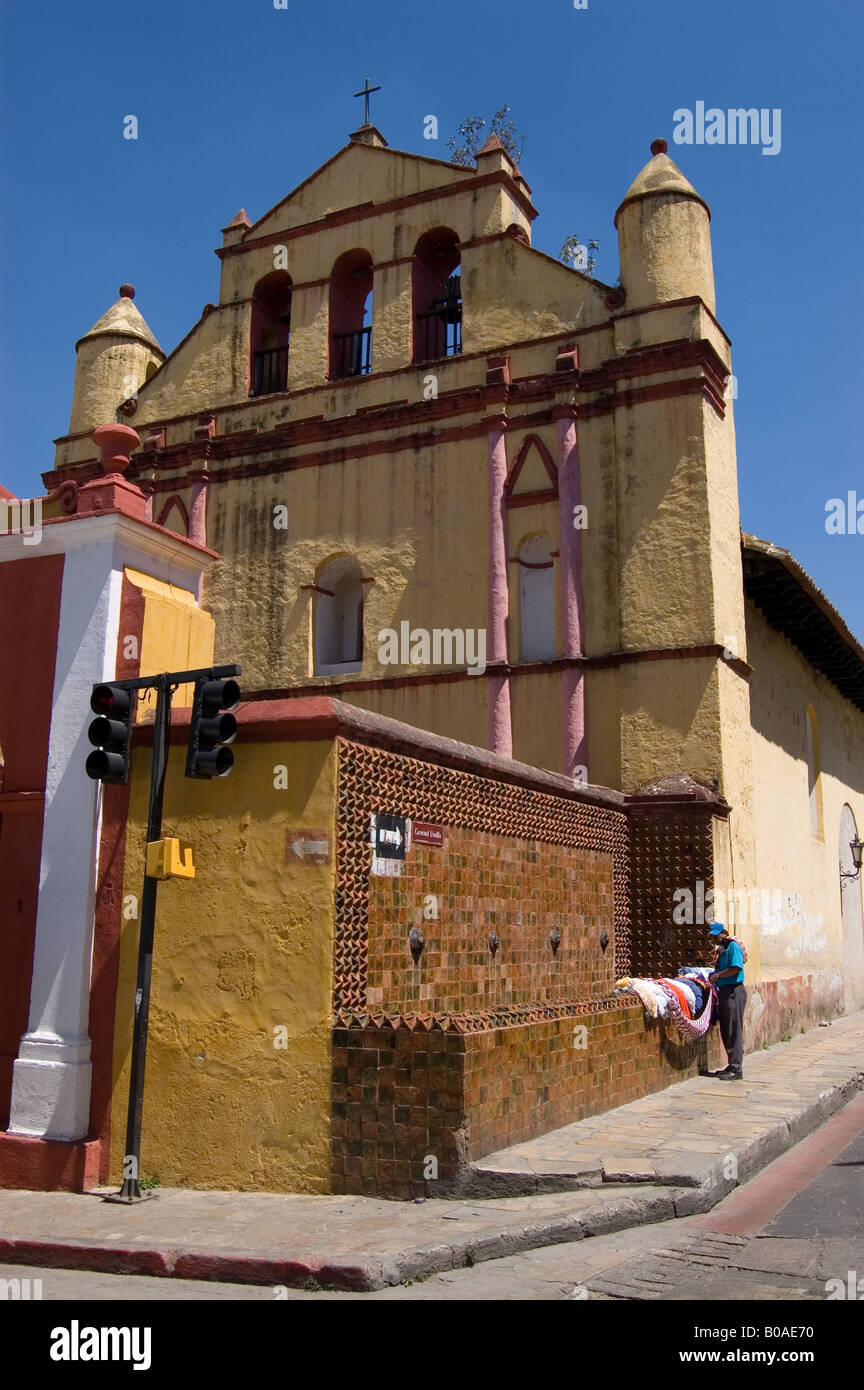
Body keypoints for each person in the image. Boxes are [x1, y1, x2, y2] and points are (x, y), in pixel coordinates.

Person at [707, 922, 746, 1080]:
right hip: (724, 991)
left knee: (734, 1029)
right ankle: (731, 1064)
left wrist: (719, 976)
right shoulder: (721, 950)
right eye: (712, 936)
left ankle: (736, 1068)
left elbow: (736, 968)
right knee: (726, 1028)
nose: (715, 939)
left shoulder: (733, 947)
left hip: (733, 991)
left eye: (717, 935)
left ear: (724, 933)